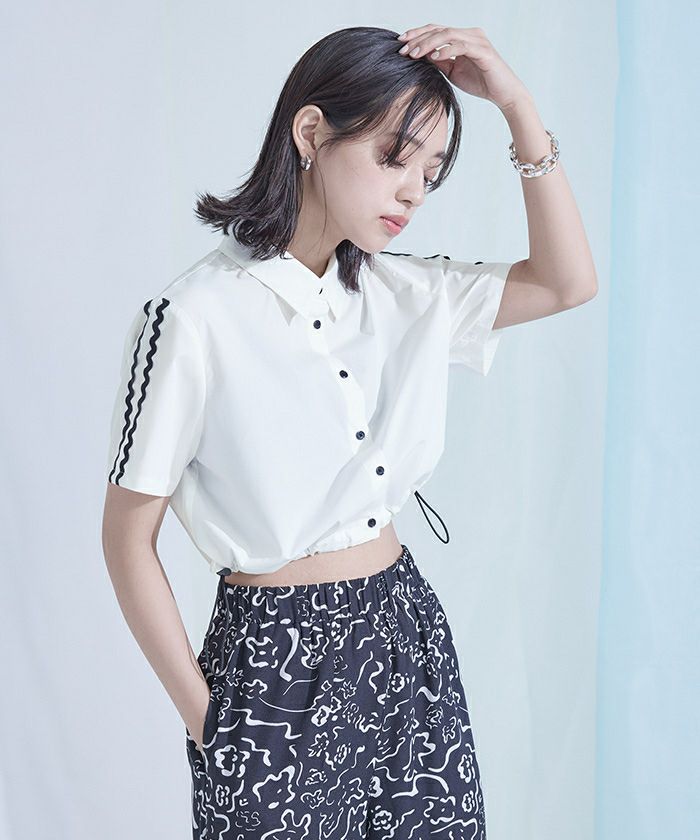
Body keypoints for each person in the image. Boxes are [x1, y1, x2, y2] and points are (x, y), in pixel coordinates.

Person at [101, 24, 597, 840]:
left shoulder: (408, 294)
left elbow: (566, 281)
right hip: (275, 667)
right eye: (394, 158)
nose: (413, 192)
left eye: (430, 174)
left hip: (405, 638)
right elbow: (127, 540)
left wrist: (516, 104)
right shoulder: (192, 318)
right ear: (311, 132)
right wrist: (209, 721)